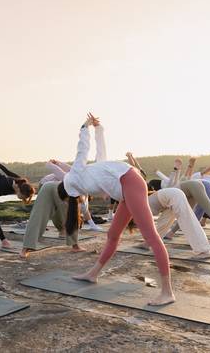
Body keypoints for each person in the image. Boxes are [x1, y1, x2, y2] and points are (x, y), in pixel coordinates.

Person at [65, 113, 175, 306]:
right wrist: (99, 130)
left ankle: (167, 292)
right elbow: (101, 151)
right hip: (127, 187)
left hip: (130, 182)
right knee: (113, 235)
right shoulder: (91, 171)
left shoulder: (76, 175)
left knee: (151, 237)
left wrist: (84, 127)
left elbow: (82, 149)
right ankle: (92, 274)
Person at [150, 158, 210, 246]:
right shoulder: (171, 187)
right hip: (191, 191)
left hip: (196, 188)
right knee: (184, 215)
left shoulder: (168, 188)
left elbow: (176, 178)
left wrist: (178, 168)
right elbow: (185, 176)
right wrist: (188, 165)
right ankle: (171, 233)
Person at [19, 181, 84, 258]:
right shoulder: (84, 187)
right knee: (39, 216)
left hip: (49, 187)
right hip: (57, 189)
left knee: (41, 215)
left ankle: (75, 245)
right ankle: (25, 248)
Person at [46, 159, 104, 232]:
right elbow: (51, 167)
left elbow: (84, 207)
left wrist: (58, 162)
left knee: (81, 204)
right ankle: (62, 228)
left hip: (60, 186)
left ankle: (92, 225)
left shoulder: (80, 176)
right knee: (56, 208)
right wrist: (50, 163)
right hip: (45, 185)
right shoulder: (66, 177)